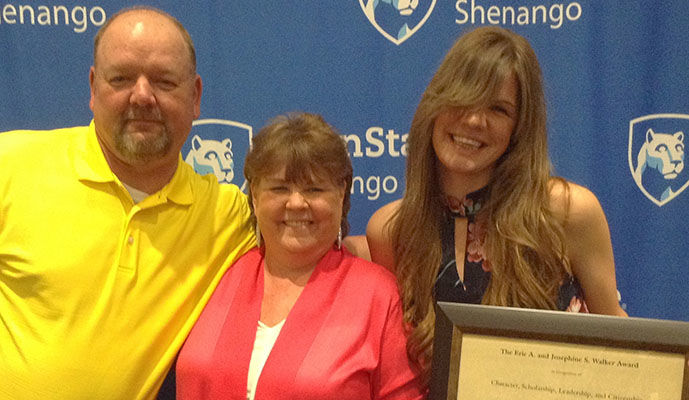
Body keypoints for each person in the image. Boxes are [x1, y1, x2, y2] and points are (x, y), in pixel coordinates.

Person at [0, 7, 254, 400]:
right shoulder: (10, 165)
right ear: (92, 87)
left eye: (165, 82)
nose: (142, 96)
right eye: (120, 78)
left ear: (196, 96)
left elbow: (316, 242)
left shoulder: (228, 214)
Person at [366, 26, 627, 375]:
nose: (474, 120)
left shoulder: (567, 212)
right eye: (463, 98)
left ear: (520, 127)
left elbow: (623, 348)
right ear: (434, 105)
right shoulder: (391, 229)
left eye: (499, 109)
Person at [175, 112, 425, 400]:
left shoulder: (380, 298)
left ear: (341, 194)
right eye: (279, 188)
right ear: (255, 195)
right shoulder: (218, 271)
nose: (296, 203)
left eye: (314, 189)